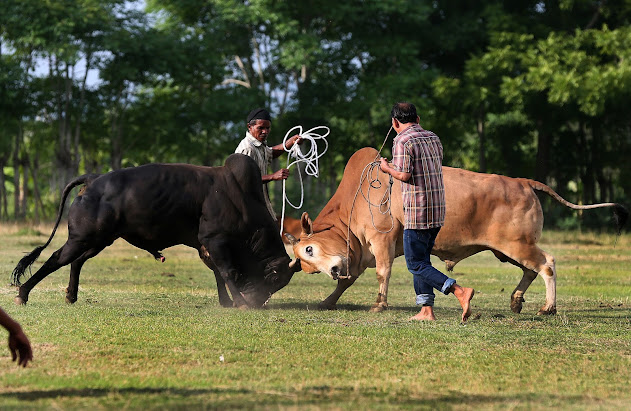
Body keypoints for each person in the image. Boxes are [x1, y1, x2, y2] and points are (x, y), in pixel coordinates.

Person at [379, 102, 475, 322]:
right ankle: (426, 310)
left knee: (415, 263)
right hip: (437, 209)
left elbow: (403, 175)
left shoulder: (401, 140)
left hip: (417, 211)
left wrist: (386, 168)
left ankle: (459, 291)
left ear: (394, 122)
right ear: (418, 119)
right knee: (423, 261)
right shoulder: (433, 137)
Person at [235, 108, 303, 219]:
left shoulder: (259, 145)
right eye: (260, 128)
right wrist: (272, 176)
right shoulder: (247, 148)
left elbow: (271, 153)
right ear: (249, 127)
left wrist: (290, 142)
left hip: (260, 203)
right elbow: (242, 179)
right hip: (247, 207)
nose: (265, 131)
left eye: (268, 128)